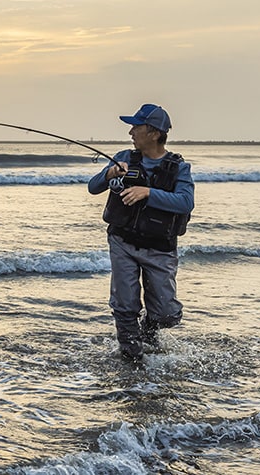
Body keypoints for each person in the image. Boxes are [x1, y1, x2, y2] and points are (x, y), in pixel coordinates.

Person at [87, 104, 195, 363]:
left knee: (167, 313)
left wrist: (148, 192)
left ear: (155, 133)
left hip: (160, 247)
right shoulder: (123, 156)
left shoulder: (178, 167)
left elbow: (185, 202)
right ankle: (131, 359)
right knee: (125, 305)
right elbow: (93, 187)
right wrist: (109, 174)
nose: (131, 132)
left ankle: (149, 334)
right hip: (122, 241)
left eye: (137, 126)